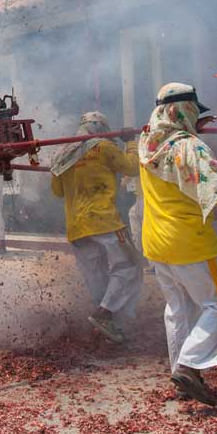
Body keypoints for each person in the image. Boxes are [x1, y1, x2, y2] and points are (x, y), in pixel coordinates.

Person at [139, 83, 217, 406]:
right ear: (186, 112)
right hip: (190, 244)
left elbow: (179, 167)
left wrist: (194, 131)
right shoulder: (190, 148)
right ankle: (189, 365)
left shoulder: (147, 142)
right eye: (195, 111)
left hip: (156, 244)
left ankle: (182, 378)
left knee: (178, 310)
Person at [50, 111, 142, 344]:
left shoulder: (62, 152)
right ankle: (106, 314)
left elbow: (57, 191)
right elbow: (132, 168)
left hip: (76, 226)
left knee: (97, 276)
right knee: (129, 267)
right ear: (101, 128)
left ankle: (108, 324)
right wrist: (131, 142)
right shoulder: (104, 147)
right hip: (104, 221)